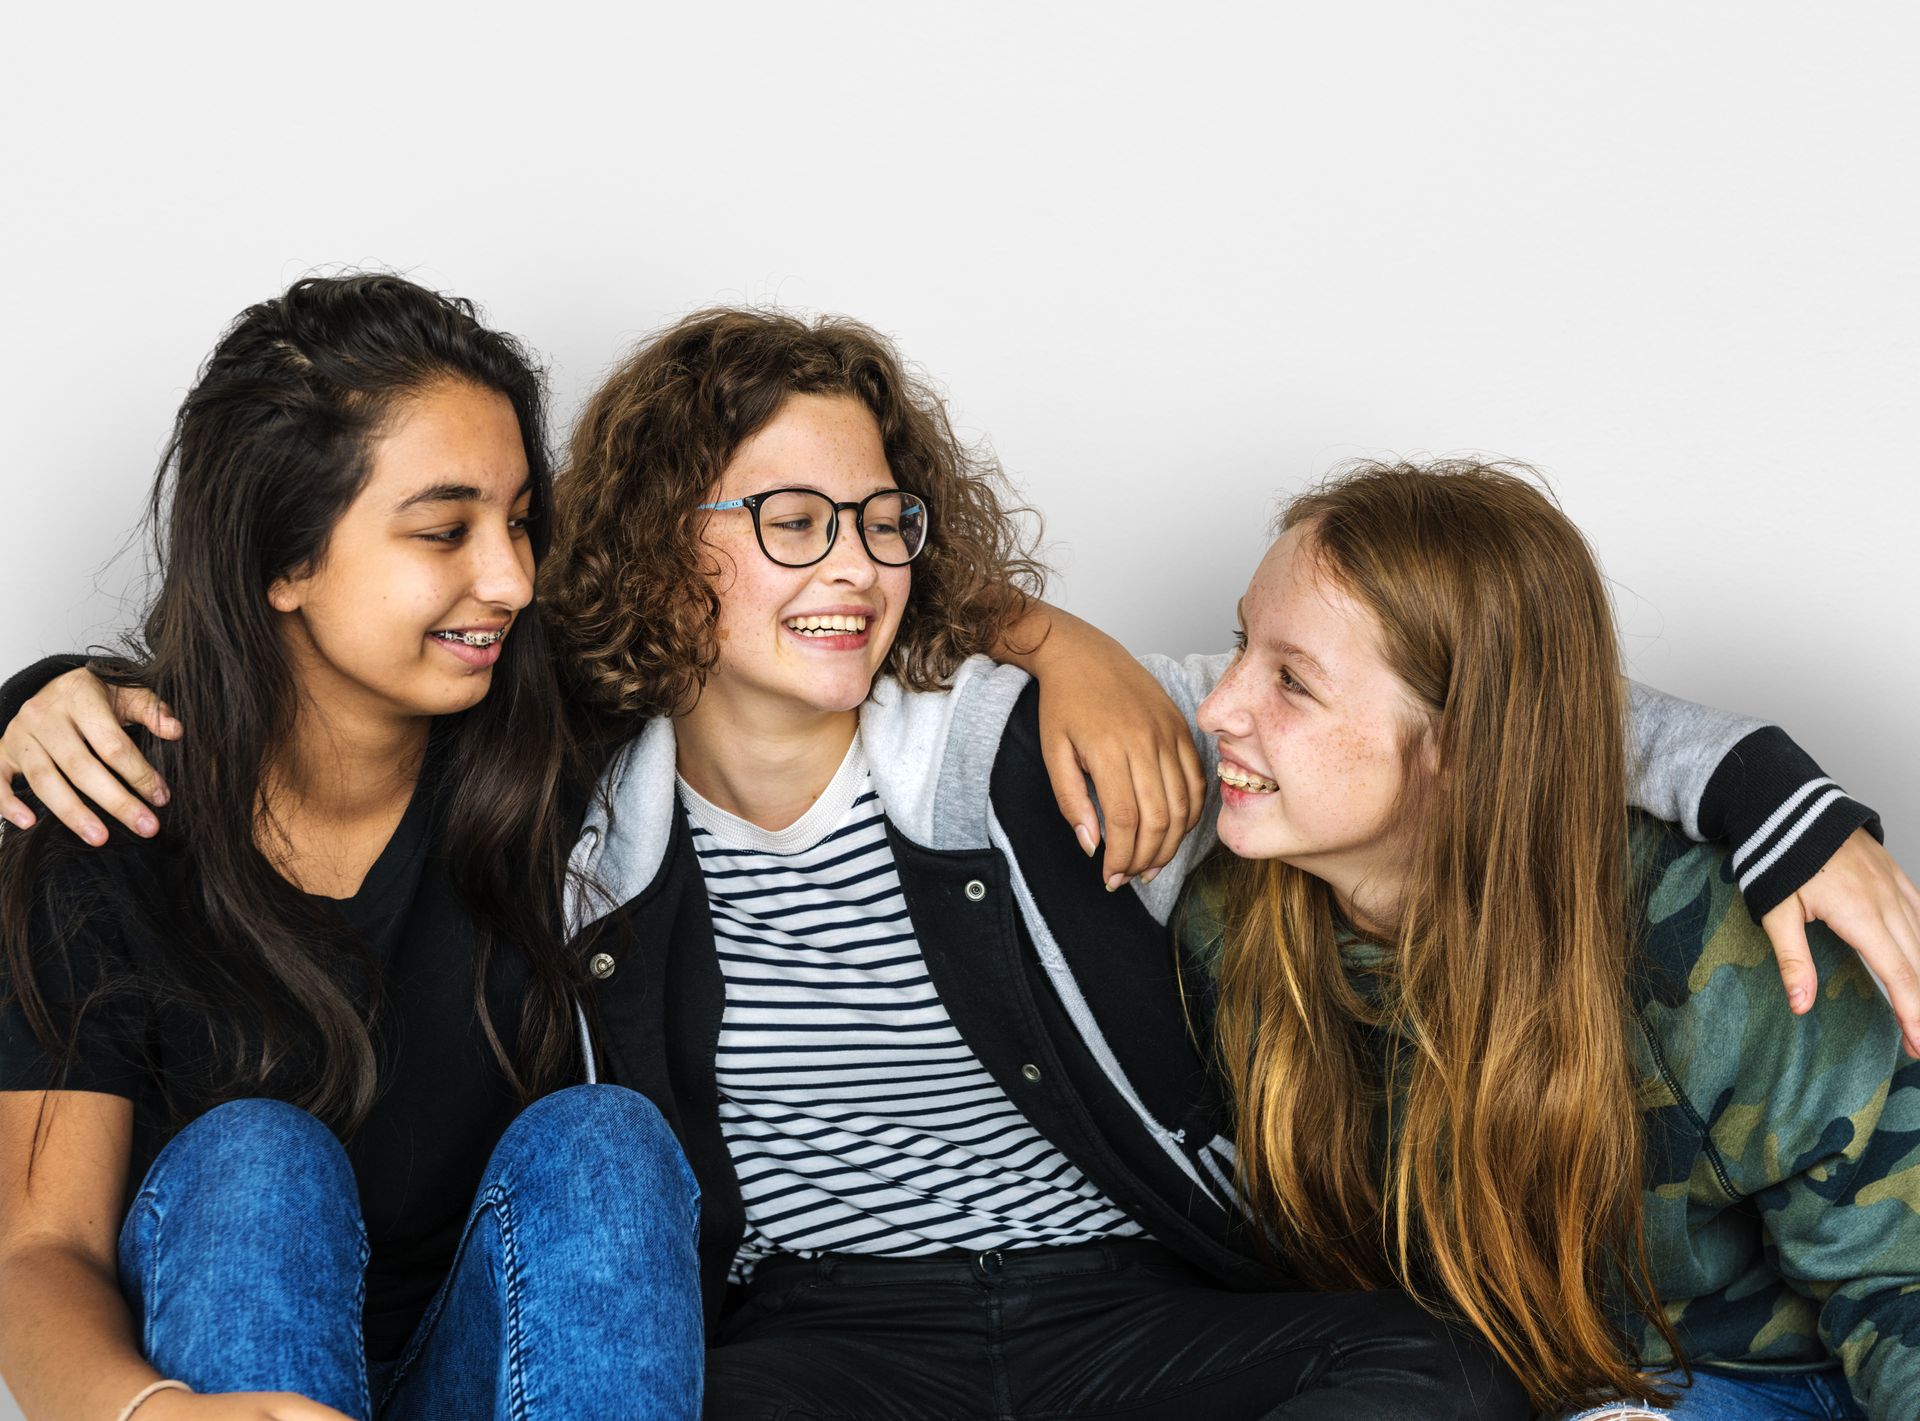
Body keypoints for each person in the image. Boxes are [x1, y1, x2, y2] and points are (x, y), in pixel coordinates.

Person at [7, 310, 1908, 1418]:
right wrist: (32, 699)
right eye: (793, 518)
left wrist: (1760, 789)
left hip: (1122, 1294)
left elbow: (1442, 698)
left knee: (1431, 1385)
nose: (854, 560)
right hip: (826, 1330)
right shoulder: (570, 792)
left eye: (886, 519)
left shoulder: (1044, 745)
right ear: (670, 548)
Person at [0, 276, 707, 1420]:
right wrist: (151, 1411)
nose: (513, 580)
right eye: (445, 530)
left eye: (520, 519)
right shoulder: (102, 814)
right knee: (255, 1159)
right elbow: (37, 1252)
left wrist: (1063, 649)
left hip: (502, 1364)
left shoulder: (563, 765)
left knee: (607, 1144)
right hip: (228, 1379)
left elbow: (807, 608)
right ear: (283, 558)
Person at [1174, 460, 1920, 1419]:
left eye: (1291, 682)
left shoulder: (1719, 946)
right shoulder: (1222, 925)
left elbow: (1901, 1283)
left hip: (1760, 1380)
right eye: (1241, 645)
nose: (1217, 707)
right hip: (1460, 1385)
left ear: (1460, 746)